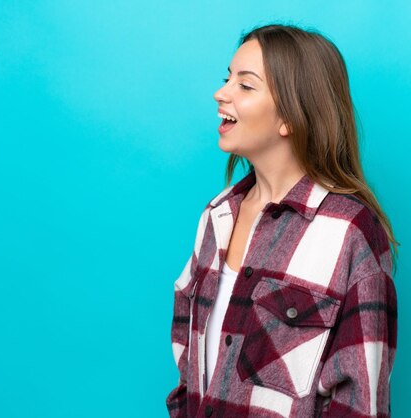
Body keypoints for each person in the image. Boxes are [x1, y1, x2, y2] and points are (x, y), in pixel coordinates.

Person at [166, 23, 398, 418]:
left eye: (246, 85)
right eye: (227, 78)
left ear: (290, 117)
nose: (220, 93)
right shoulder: (216, 218)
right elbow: (189, 368)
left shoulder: (352, 234)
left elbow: (360, 404)